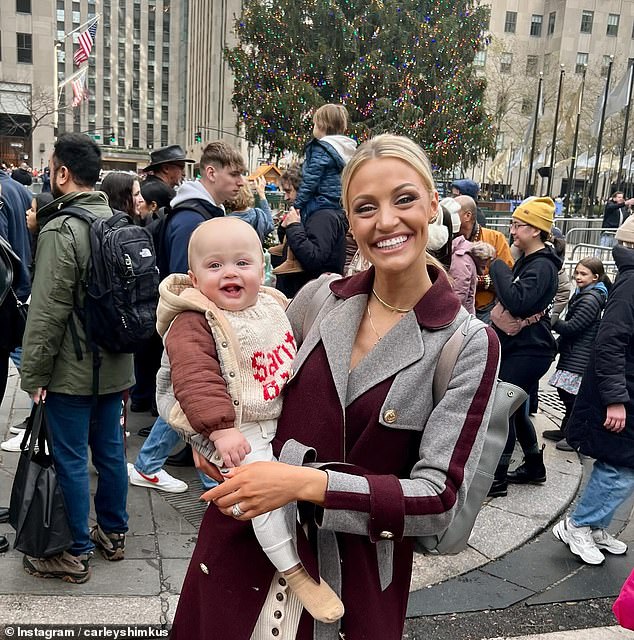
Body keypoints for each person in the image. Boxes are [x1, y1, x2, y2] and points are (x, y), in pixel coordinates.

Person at [169, 134, 500, 640]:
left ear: (434, 203)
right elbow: (206, 363)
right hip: (241, 555)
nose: (386, 221)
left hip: (352, 581)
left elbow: (439, 499)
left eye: (404, 199)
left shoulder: (465, 343)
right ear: (351, 222)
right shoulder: (319, 298)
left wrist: (303, 485)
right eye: (365, 207)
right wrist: (205, 440)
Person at [156, 217, 344, 622]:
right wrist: (219, 428)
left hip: (275, 418)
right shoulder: (193, 320)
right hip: (236, 427)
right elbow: (195, 378)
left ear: (263, 268)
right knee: (262, 497)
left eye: (243, 263)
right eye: (214, 266)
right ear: (193, 278)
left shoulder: (272, 305)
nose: (230, 273)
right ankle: (294, 570)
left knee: (286, 488)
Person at [19, 133, 133, 583]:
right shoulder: (118, 220)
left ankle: (75, 552)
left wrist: (34, 375)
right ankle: (114, 533)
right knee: (109, 452)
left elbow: (46, 312)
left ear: (63, 174)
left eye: (51, 167)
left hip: (72, 368)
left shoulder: (62, 229)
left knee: (68, 456)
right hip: (116, 365)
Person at [128, 140, 246, 492]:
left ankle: (153, 465)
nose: (241, 181)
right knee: (191, 398)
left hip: (201, 322)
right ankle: (214, 485)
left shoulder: (202, 213)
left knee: (189, 399)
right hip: (196, 324)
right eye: (234, 173)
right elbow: (184, 281)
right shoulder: (191, 219)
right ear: (211, 172)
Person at [552, 216, 634, 565]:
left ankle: (594, 525)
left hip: (624, 390)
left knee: (619, 464)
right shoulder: (631, 284)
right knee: (620, 467)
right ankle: (579, 525)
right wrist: (616, 399)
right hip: (622, 392)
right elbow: (610, 342)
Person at [487, 197, 561, 497]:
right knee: (515, 410)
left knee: (500, 409)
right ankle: (533, 466)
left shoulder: (541, 266)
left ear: (535, 230)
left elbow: (517, 301)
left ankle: (497, 477)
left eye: (518, 225)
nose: (513, 231)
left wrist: (497, 266)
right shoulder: (531, 261)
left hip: (530, 349)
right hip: (523, 346)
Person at [274, 104, 356, 297]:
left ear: (320, 125)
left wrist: (294, 222)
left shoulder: (324, 216)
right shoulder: (342, 152)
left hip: (309, 297)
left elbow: (314, 258)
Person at [544, 258, 609, 451]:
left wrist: (552, 320)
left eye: (583, 274)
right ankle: (567, 430)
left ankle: (575, 436)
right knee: (567, 394)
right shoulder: (586, 294)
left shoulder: (590, 299)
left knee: (572, 397)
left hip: (579, 354)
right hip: (575, 352)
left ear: (595, 277)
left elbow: (573, 327)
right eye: (577, 272)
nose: (578, 277)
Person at [454, 194, 514, 323]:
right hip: (454, 309)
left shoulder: (495, 238)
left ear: (467, 216)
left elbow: (506, 279)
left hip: (485, 310)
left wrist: (477, 281)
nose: (450, 215)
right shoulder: (447, 239)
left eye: (454, 212)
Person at [226, 176, 275, 242]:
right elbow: (270, 226)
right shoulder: (258, 215)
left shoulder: (226, 221)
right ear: (248, 191)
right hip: (255, 251)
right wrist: (262, 194)